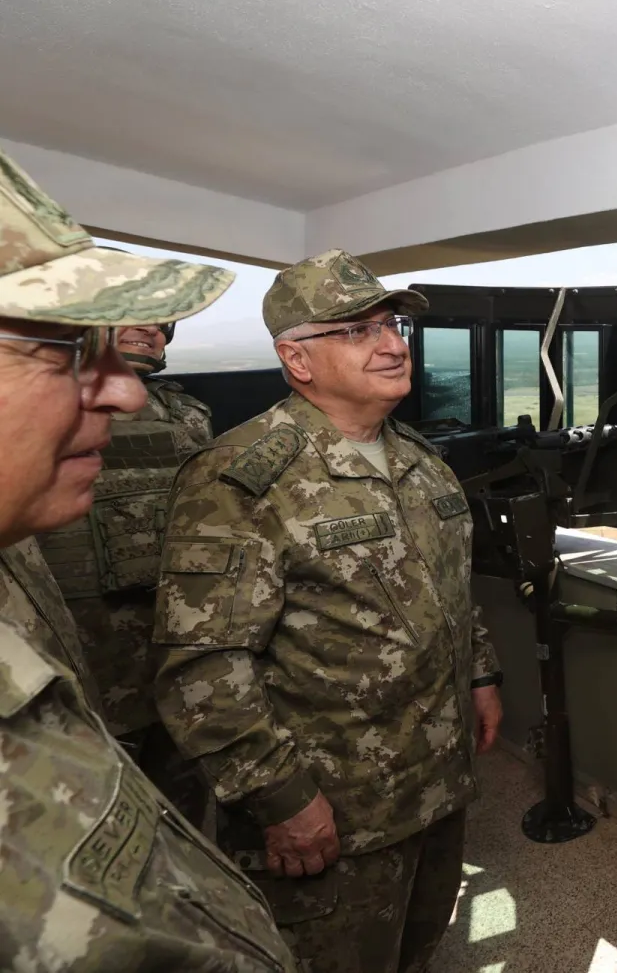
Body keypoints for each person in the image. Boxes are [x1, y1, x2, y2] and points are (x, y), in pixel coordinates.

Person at [154, 249, 505, 973]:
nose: (391, 343)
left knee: (417, 949)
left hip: (435, 783)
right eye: (356, 331)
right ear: (297, 359)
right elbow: (203, 668)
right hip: (335, 807)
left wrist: (482, 675)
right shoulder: (241, 477)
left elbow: (450, 591)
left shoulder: (421, 459)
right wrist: (281, 797)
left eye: (392, 323)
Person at [0, 143, 296, 971]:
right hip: (107, 656)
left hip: (165, 658)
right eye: (55, 347)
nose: (121, 386)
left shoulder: (189, 419)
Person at [37, 318, 217, 827]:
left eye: (162, 323)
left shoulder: (186, 414)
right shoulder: (37, 404)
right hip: (82, 660)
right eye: (129, 316)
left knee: (183, 817)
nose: (149, 329)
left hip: (177, 649)